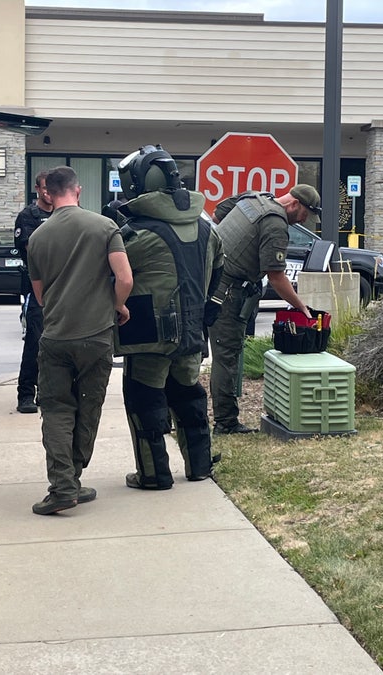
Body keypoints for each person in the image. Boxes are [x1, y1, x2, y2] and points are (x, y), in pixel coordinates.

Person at [107, 145, 225, 490]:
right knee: (189, 398)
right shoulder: (208, 230)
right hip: (191, 334)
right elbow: (220, 269)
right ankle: (199, 466)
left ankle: (154, 474)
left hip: (149, 334)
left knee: (145, 402)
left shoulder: (138, 235)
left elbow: (109, 270)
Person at [25, 165, 133, 515]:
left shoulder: (38, 237)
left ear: (47, 194)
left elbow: (39, 296)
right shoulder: (104, 227)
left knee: (56, 411)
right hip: (96, 335)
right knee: (88, 409)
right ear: (78, 190)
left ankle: (63, 486)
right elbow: (125, 277)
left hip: (55, 336)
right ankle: (73, 476)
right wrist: (117, 304)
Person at [208, 184, 319, 435]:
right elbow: (277, 276)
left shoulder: (253, 198)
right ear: (294, 205)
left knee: (213, 352)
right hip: (228, 292)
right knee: (226, 355)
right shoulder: (275, 223)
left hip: (210, 281)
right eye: (305, 215)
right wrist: (302, 307)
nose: (304, 221)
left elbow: (217, 216)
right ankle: (225, 423)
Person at [14, 170, 53, 414]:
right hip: (38, 288)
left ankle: (48, 392)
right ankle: (26, 394)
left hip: (65, 288)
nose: (49, 194)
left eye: (53, 189)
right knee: (35, 341)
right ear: (37, 189)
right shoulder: (28, 215)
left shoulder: (65, 212)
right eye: (45, 189)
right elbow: (32, 248)